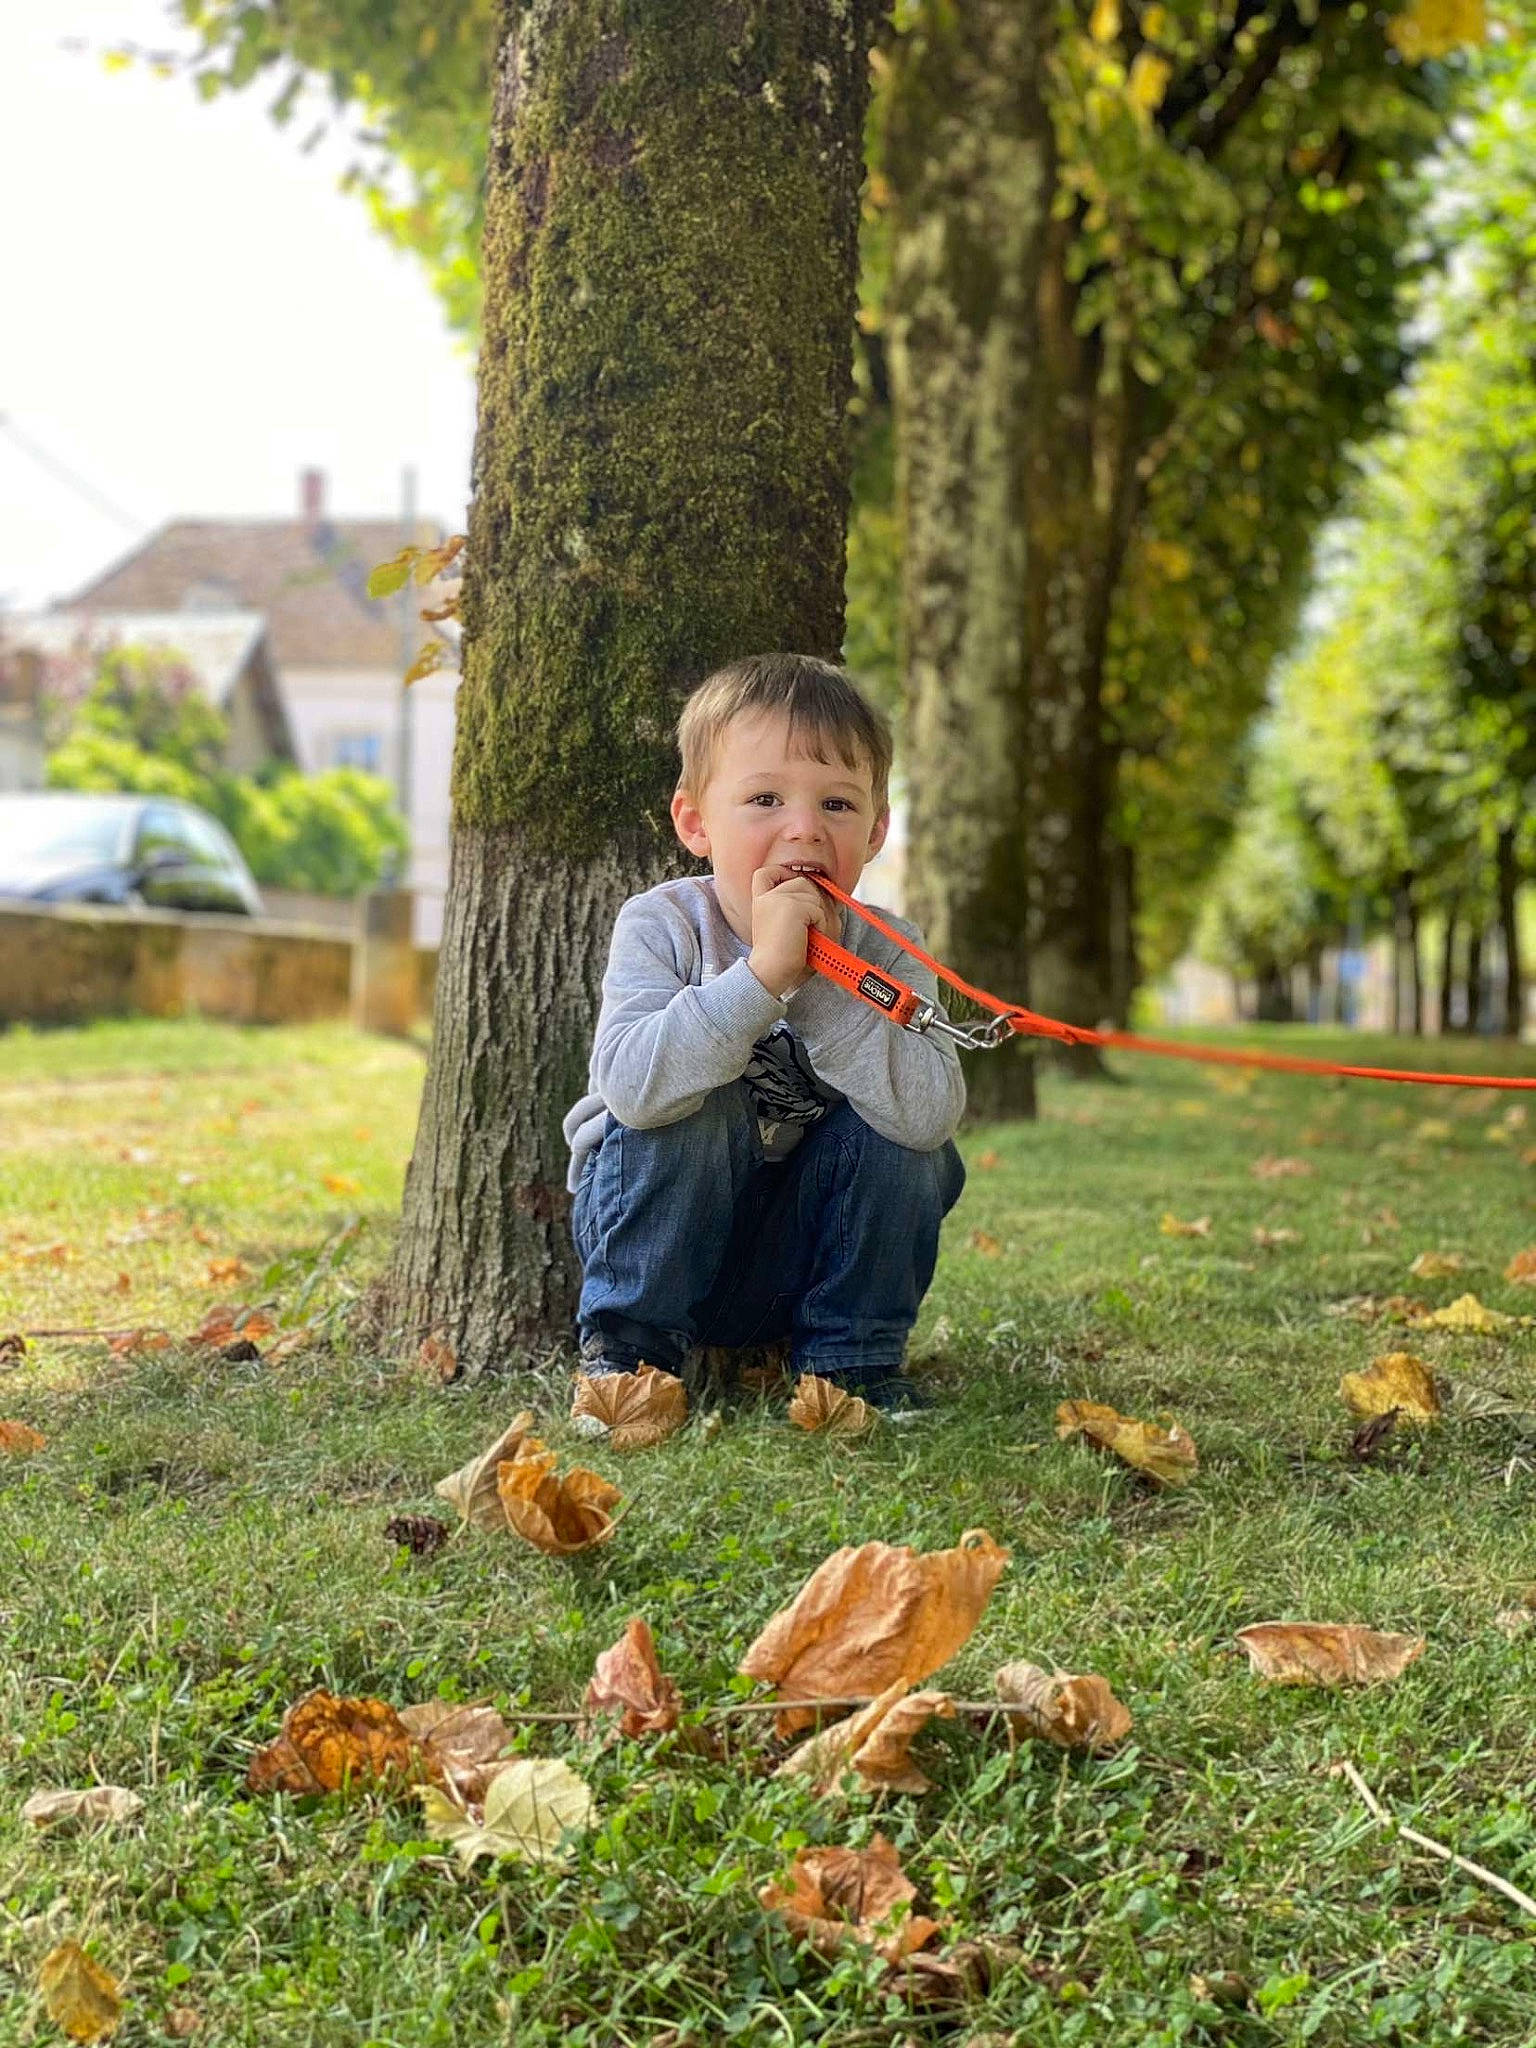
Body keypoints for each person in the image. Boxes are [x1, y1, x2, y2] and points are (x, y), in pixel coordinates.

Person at [562, 652, 967, 1423]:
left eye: (839, 806)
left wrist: (821, 983)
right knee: (693, 1107)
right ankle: (630, 1362)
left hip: (805, 1255)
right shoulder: (664, 924)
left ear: (877, 830)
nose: (805, 829)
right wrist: (765, 977)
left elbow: (928, 1120)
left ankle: (852, 1363)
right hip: (661, 1234)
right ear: (695, 823)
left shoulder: (892, 949)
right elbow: (632, 1090)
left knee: (901, 1134)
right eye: (766, 798)